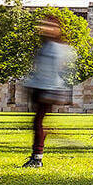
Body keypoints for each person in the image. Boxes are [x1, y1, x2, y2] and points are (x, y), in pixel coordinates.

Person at [19, 14, 76, 168]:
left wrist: (55, 91)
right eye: (43, 24)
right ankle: (38, 151)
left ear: (57, 29)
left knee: (37, 122)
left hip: (48, 89)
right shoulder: (45, 45)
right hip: (39, 87)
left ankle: (37, 158)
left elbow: (59, 70)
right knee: (38, 123)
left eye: (50, 26)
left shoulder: (57, 48)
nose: (45, 28)